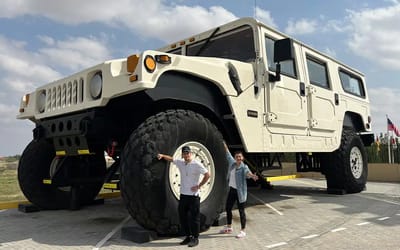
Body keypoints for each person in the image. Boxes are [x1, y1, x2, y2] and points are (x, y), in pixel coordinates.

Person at [158, 145, 210, 247]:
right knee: (183, 217)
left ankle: (195, 238)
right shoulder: (181, 162)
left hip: (194, 196)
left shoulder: (197, 164)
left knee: (195, 218)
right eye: (184, 153)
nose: (186, 155)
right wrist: (162, 155)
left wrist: (199, 186)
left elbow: (207, 175)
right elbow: (172, 159)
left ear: (190, 153)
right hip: (183, 196)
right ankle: (188, 236)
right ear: (182, 154)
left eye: (187, 153)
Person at [219, 142, 258, 239]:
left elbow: (247, 173)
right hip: (232, 190)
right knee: (228, 208)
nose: (238, 158)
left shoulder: (244, 167)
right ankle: (229, 227)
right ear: (235, 157)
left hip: (240, 193)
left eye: (240, 157)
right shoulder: (232, 164)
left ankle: (243, 230)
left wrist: (252, 176)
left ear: (242, 158)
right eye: (237, 156)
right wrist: (224, 144)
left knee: (241, 211)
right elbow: (227, 153)